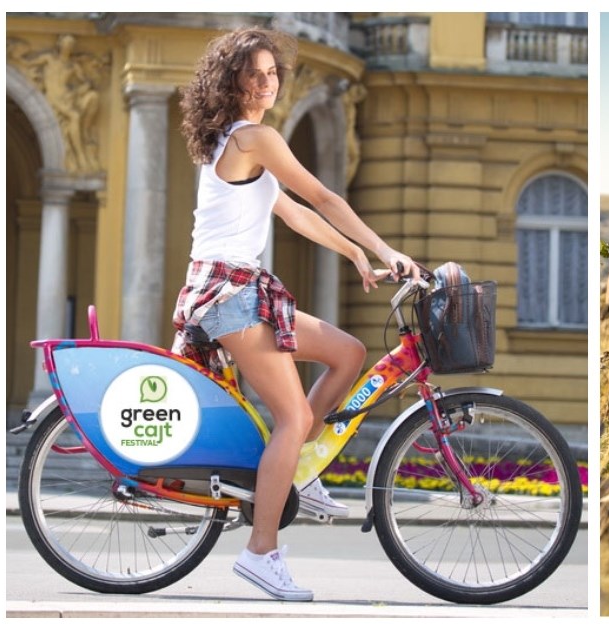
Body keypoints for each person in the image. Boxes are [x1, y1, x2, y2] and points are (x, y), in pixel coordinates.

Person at [172, 28, 416, 601]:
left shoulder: (238, 143)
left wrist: (356, 254)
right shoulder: (254, 136)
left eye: (272, 72)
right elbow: (323, 197)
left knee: (348, 352)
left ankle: (297, 472)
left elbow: (293, 214)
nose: (265, 82)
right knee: (291, 417)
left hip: (240, 287)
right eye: (253, 73)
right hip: (227, 294)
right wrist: (388, 250)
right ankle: (261, 553)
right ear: (231, 81)